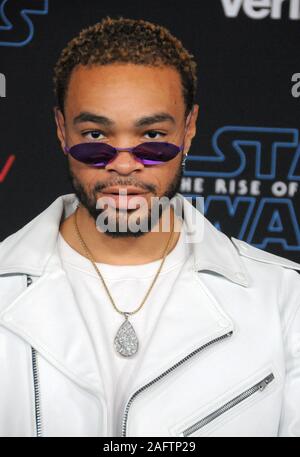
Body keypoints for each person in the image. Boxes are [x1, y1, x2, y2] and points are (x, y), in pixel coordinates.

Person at [0, 16, 299, 438]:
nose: (124, 163)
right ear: (62, 131)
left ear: (190, 129)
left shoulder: (285, 300)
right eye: (96, 136)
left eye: (153, 135)